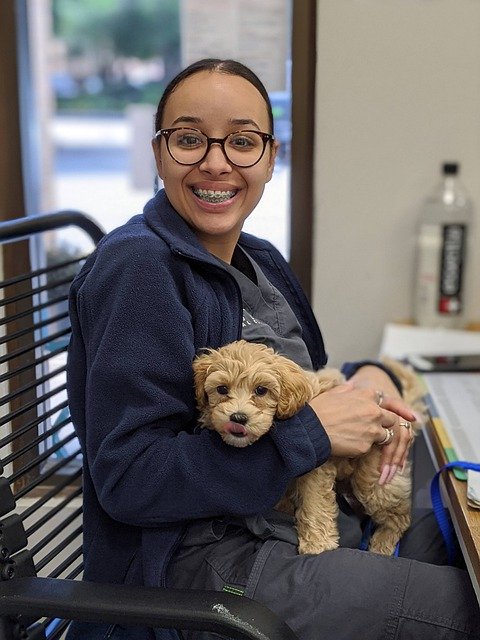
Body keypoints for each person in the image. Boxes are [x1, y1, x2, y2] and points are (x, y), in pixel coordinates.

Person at [66, 59, 480, 640]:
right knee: (465, 607)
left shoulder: (257, 257)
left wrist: (372, 380)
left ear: (269, 156)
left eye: (241, 141)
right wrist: (312, 433)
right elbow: (131, 479)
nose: (216, 162)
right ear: (160, 153)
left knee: (465, 531)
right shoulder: (139, 270)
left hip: (303, 510)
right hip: (202, 564)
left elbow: (300, 382)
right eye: (189, 140)